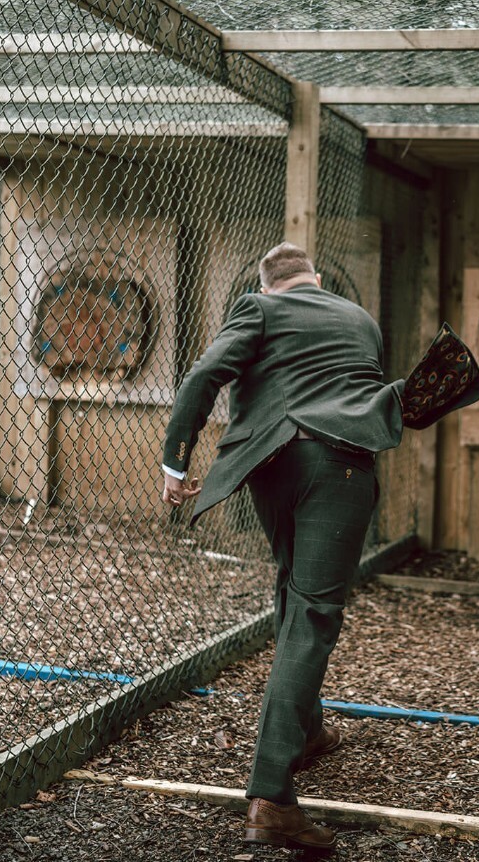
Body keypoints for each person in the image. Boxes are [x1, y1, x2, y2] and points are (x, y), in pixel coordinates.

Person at [161, 241, 405, 850]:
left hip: (269, 464)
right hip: (340, 469)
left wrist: (175, 460)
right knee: (316, 610)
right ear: (316, 280)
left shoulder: (259, 308)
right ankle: (271, 795)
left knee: (294, 586)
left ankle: (307, 731)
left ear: (270, 286)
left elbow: (204, 375)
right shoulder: (360, 320)